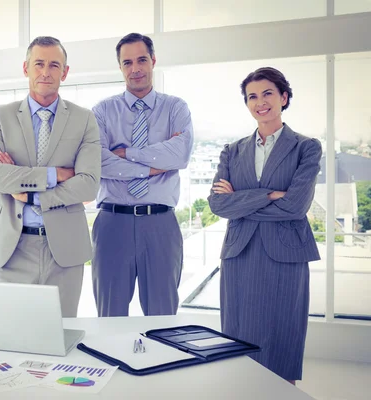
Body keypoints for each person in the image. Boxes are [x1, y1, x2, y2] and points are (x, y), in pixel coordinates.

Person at [208, 67, 322, 383]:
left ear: (284, 97)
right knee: (238, 333)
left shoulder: (306, 147)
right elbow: (218, 204)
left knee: (282, 333)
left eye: (268, 93)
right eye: (252, 96)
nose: (261, 102)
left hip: (286, 253)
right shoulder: (231, 151)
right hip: (239, 252)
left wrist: (242, 202)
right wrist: (270, 194)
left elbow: (296, 205)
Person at [0, 36, 101, 317]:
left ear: (65, 72)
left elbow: (89, 185)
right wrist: (54, 175)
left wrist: (30, 192)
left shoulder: (84, 119)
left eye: (54, 65)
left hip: (64, 252)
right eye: (39, 64)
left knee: (61, 338)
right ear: (26, 68)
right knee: (9, 341)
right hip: (11, 249)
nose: (46, 72)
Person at [91, 33, 194, 317]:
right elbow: (100, 162)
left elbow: (180, 155)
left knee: (162, 317)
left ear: (153, 61)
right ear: (120, 67)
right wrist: (157, 164)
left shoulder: (175, 108)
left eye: (141, 60)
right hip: (113, 223)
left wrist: (126, 152)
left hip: (161, 224)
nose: (135, 68)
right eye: (127, 62)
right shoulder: (101, 111)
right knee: (109, 316)